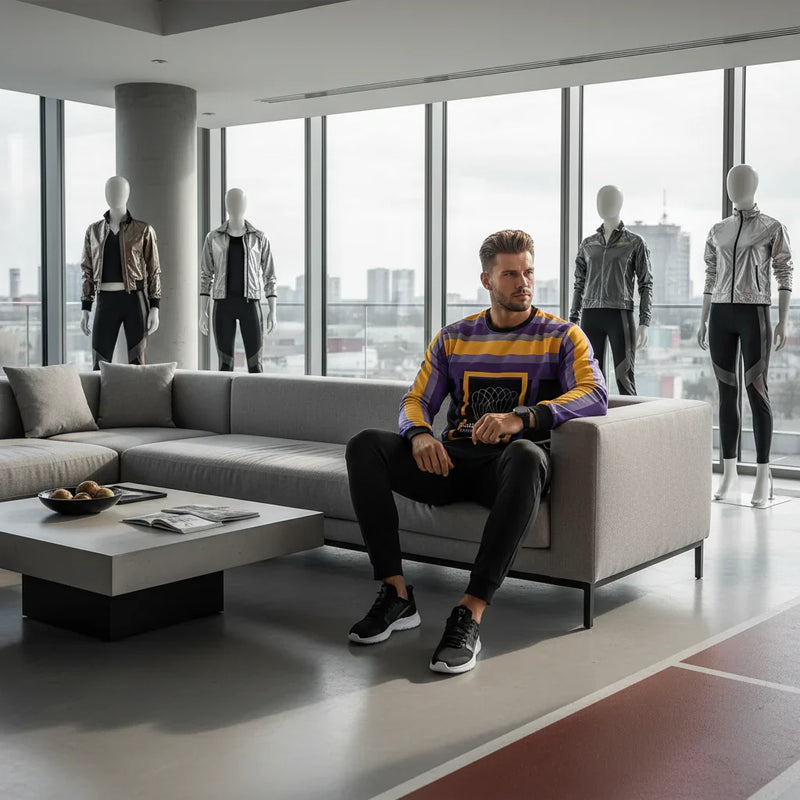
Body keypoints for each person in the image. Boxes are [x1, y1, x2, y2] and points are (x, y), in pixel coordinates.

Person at [345, 229, 608, 674]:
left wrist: (523, 417)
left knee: (527, 455)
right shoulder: (454, 338)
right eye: (510, 275)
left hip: (509, 471)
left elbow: (594, 395)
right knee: (365, 445)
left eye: (528, 272)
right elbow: (416, 399)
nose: (523, 283)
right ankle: (396, 594)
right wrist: (419, 435)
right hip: (452, 461)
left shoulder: (563, 336)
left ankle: (471, 610)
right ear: (487, 280)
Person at [697, 164, 792, 507]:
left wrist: (783, 321)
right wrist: (703, 319)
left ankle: (763, 474)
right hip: (721, 315)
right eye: (730, 181)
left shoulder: (772, 228)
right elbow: (710, 276)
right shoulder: (718, 230)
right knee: (726, 395)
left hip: (755, 314)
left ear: (754, 185)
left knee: (757, 393)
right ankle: (729, 472)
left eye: (741, 181)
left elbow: (784, 273)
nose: (734, 187)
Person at [569, 185, 652, 395]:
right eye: (600, 200)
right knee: (593, 380)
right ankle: (599, 417)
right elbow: (579, 283)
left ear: (620, 204)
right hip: (590, 315)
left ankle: (631, 418)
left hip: (620, 315)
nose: (603, 205)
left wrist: (644, 322)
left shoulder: (634, 242)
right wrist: (573, 318)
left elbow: (645, 284)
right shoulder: (588, 244)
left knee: (625, 378)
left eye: (610, 200)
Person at [80, 175, 161, 369]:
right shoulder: (93, 231)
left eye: (119, 191)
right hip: (105, 301)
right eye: (109, 191)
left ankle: (137, 391)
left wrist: (155, 307)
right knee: (99, 364)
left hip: (134, 300)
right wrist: (85, 308)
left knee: (137, 364)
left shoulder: (143, 230)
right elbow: (87, 270)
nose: (114, 195)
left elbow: (154, 270)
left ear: (127, 194)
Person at [199, 187, 277, 372]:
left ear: (245, 205)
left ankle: (255, 393)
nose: (235, 205)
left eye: (239, 202)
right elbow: (205, 276)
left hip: (250, 305)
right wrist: (203, 311)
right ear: (226, 205)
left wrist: (273, 311)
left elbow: (269, 276)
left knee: (256, 365)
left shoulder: (259, 238)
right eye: (231, 202)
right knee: (225, 365)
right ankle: (226, 393)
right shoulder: (213, 238)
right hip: (222, 305)